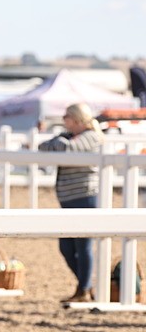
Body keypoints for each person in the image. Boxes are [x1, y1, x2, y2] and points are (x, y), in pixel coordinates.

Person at [39, 103, 105, 304]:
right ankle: (85, 286)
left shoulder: (92, 136)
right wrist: (59, 141)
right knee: (67, 246)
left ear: (75, 118)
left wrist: (59, 142)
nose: (63, 120)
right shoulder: (69, 136)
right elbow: (44, 147)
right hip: (69, 198)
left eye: (66, 116)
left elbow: (67, 149)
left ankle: (84, 288)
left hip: (85, 196)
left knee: (82, 245)